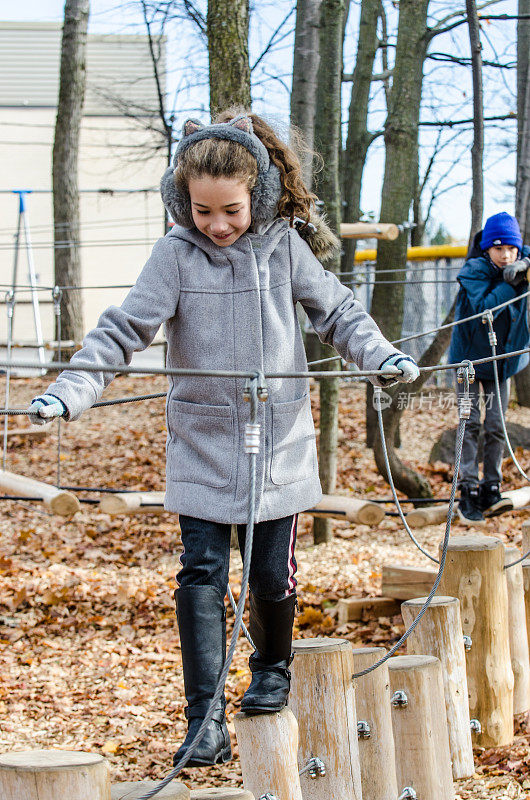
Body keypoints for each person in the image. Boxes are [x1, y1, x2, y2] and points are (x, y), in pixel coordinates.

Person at [27, 111, 419, 767]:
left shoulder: (284, 247)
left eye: (230, 210)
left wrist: (383, 356)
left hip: (281, 449)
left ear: (258, 195)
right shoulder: (175, 256)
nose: (216, 224)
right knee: (201, 577)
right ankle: (202, 719)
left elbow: (339, 313)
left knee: (271, 573)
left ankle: (272, 667)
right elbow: (122, 331)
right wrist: (69, 391)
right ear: (182, 200)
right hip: (203, 448)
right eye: (201, 210)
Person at [449, 212, 530, 524]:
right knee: (469, 424)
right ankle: (467, 488)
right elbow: (485, 306)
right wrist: (514, 281)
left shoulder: (520, 263)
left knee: (496, 424)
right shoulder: (474, 269)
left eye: (512, 249)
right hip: (468, 362)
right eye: (499, 249)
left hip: (502, 362)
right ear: (487, 249)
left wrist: (522, 266)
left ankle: (491, 485)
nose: (506, 255)